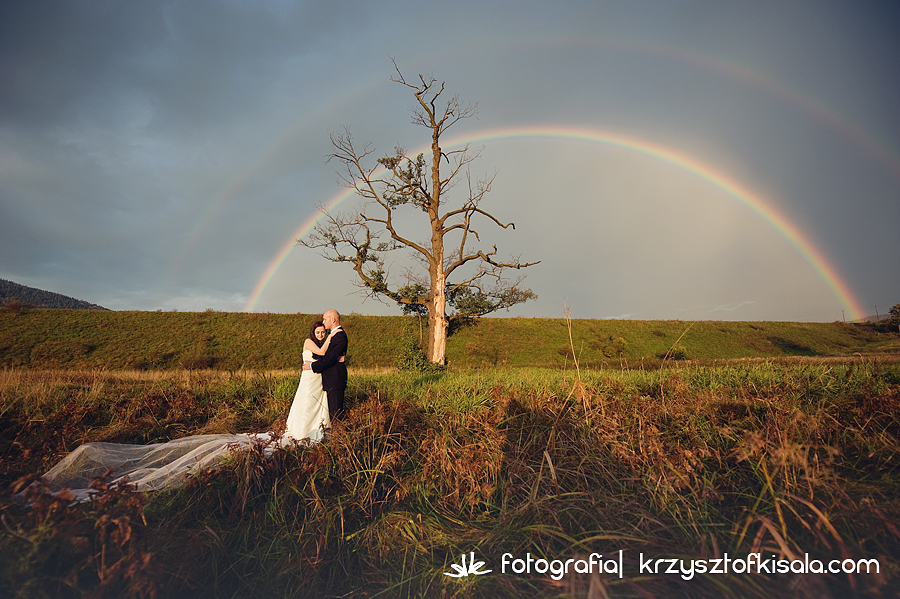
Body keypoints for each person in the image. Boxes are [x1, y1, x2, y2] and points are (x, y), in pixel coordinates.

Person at [283, 320, 336, 443]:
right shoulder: (308, 341)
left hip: (319, 379)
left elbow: (326, 360)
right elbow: (321, 353)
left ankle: (318, 430)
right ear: (313, 332)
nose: (320, 335)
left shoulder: (322, 343)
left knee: (318, 404)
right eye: (318, 332)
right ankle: (302, 433)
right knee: (307, 403)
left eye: (323, 332)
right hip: (309, 379)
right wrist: (330, 337)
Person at [304, 309, 348, 421]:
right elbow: (328, 356)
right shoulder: (332, 336)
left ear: (333, 320)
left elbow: (329, 358)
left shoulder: (339, 336)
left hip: (335, 379)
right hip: (328, 379)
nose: (323, 322)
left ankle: (338, 436)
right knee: (332, 411)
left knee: (335, 413)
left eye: (325, 319)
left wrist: (312, 366)